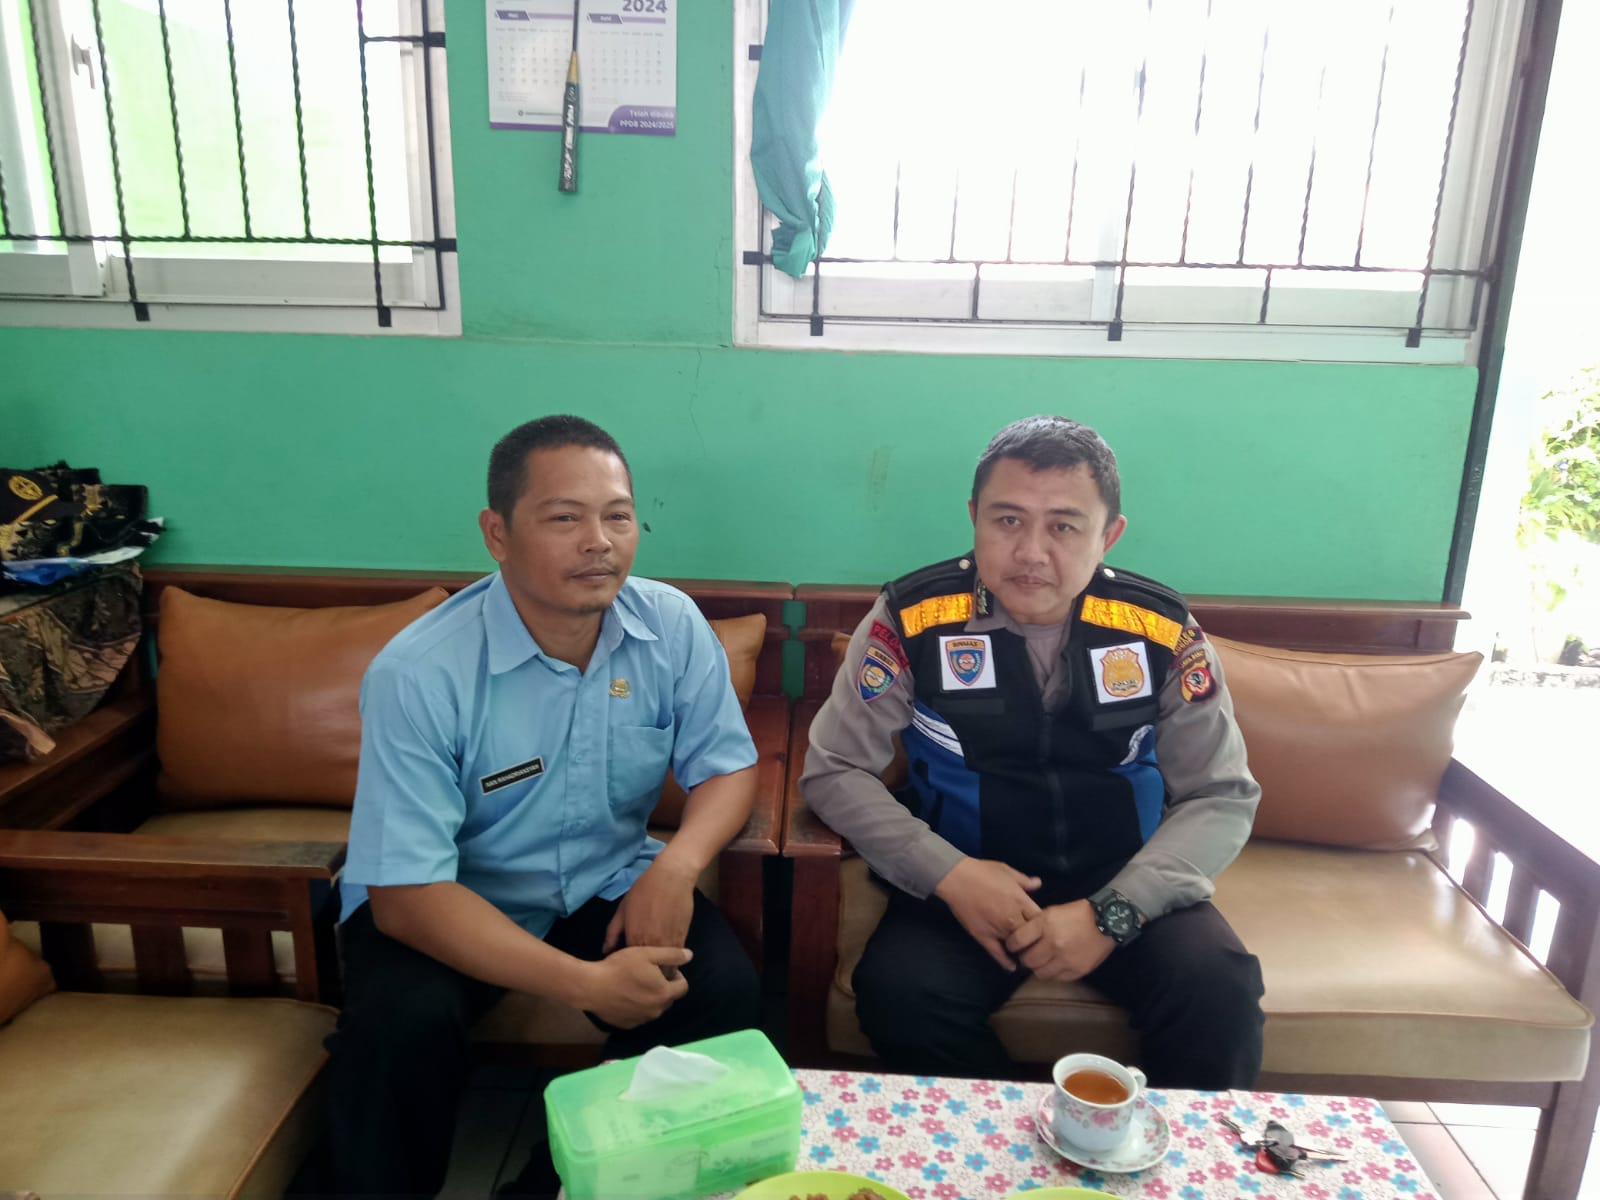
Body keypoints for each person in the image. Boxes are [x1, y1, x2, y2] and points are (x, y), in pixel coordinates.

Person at [324, 415, 762, 1197]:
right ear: (497, 533)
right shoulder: (420, 672)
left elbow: (728, 767)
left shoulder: (670, 626)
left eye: (618, 516)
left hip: (603, 878)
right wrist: (585, 984)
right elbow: (406, 896)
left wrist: (676, 868)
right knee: (400, 1026)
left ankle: (556, 1185)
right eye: (565, 518)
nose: (599, 542)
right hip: (455, 898)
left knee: (720, 991)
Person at [800, 415, 1265, 1089]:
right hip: (964, 875)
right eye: (1008, 520)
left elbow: (1221, 794)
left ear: (1109, 536)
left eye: (1064, 527)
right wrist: (950, 875)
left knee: (1218, 987)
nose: (1031, 553)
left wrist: (1116, 911)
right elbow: (835, 768)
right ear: (974, 518)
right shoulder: (913, 617)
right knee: (900, 994)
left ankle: (1143, 1146)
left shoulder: (1159, 629)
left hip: (1121, 874)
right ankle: (1021, 1139)